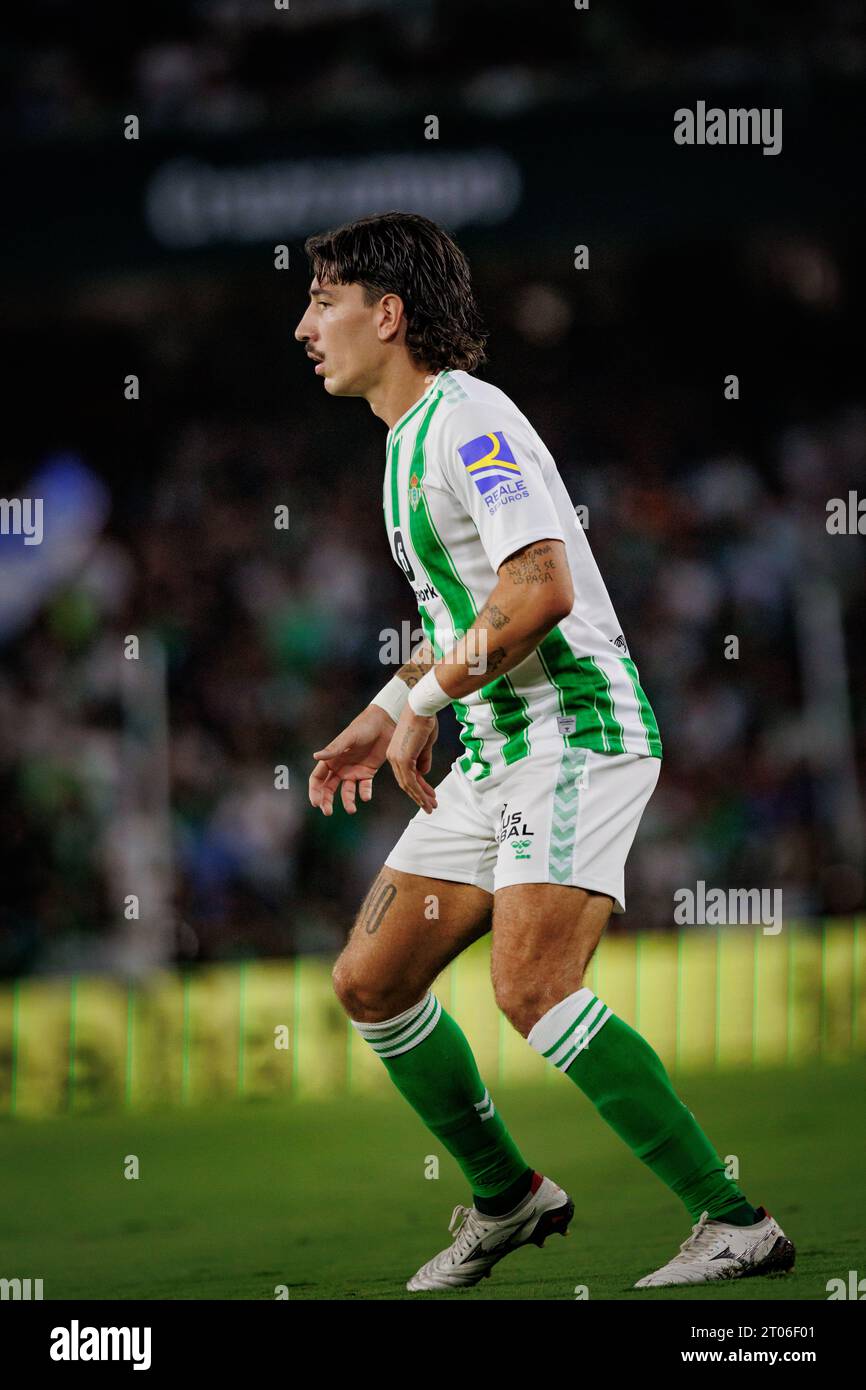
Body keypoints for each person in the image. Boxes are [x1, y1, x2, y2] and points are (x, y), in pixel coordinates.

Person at [295, 211, 795, 1292]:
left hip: (572, 729)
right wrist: (391, 705)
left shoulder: (470, 420)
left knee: (531, 984)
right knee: (370, 980)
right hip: (494, 747)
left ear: (386, 314)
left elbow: (539, 587)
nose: (304, 326)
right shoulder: (403, 440)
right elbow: (469, 605)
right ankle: (509, 1197)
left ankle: (731, 1220)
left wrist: (426, 696)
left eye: (321, 301)